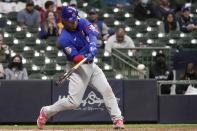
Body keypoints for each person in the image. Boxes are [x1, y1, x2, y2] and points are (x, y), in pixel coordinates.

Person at [37, 6, 124, 129]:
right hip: (77, 68)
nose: (75, 22)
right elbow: (76, 58)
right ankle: (46, 111)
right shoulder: (64, 39)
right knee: (74, 103)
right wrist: (86, 54)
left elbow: (94, 33)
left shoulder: (80, 21)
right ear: (64, 21)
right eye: (71, 21)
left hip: (92, 66)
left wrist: (93, 45)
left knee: (107, 90)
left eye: (75, 19)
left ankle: (117, 119)